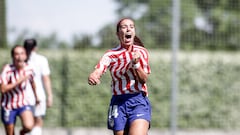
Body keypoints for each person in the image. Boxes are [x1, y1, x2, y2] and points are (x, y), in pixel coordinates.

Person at [88, 18, 151, 135]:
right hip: (118, 102)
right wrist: (94, 76)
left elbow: (144, 79)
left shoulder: (142, 52)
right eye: (124, 27)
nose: (128, 29)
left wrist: (136, 64)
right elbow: (99, 69)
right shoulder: (111, 54)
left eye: (131, 27)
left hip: (138, 100)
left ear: (134, 32)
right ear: (118, 34)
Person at [0, 45, 40, 135]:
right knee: (10, 133)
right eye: (17, 54)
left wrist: (36, 97)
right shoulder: (7, 70)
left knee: (29, 126)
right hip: (8, 106)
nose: (19, 56)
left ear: (25, 56)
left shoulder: (29, 69)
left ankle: (22, 133)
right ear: (13, 57)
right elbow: (2, 89)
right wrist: (19, 81)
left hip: (22, 103)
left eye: (22, 54)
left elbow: (32, 82)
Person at [23, 39, 53, 135]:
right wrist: (50, 95)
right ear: (35, 48)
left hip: (23, 96)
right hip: (38, 95)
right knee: (38, 122)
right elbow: (46, 79)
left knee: (27, 124)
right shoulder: (42, 59)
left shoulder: (19, 60)